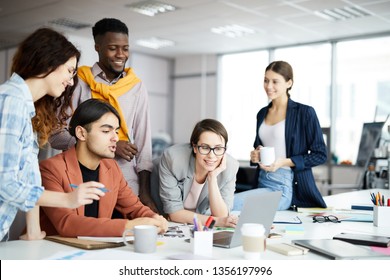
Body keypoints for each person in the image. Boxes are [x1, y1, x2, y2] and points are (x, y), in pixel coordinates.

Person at [0, 28, 106, 241]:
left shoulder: (25, 107)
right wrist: (68, 199)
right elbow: (5, 183)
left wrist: (33, 229)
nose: (70, 80)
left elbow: (29, 176)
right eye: (69, 70)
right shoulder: (11, 102)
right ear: (48, 62)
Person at [48, 18, 157, 212]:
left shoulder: (136, 86)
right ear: (97, 47)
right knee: (83, 231)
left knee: (124, 236)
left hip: (126, 179)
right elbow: (56, 135)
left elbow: (143, 143)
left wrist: (145, 193)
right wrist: (105, 146)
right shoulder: (77, 82)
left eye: (125, 48)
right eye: (113, 48)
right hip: (81, 178)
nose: (121, 54)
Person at [40, 99, 168, 237]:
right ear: (81, 133)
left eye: (116, 131)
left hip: (93, 250)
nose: (115, 138)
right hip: (53, 252)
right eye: (106, 131)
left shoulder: (112, 167)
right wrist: (128, 226)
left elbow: (134, 207)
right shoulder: (50, 169)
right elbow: (67, 223)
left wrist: (154, 218)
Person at [233, 60, 327, 211]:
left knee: (229, 205)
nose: (269, 86)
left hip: (284, 184)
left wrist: (284, 162)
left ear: (289, 83)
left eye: (275, 81)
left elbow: (320, 155)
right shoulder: (262, 113)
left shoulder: (304, 113)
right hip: (262, 180)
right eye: (266, 80)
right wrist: (255, 156)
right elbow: (259, 146)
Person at [151, 119, 240, 227]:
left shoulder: (230, 167)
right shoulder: (173, 159)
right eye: (205, 147)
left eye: (218, 148)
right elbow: (174, 213)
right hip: (159, 215)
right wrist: (215, 222)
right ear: (194, 147)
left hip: (192, 223)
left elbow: (221, 215)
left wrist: (212, 178)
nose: (211, 155)